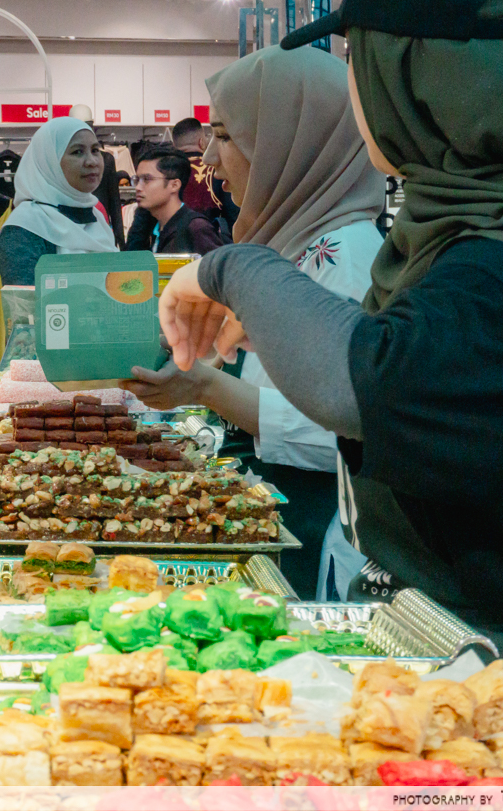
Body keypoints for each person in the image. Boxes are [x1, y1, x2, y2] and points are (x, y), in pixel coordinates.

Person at [155, 0, 503, 709]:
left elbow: (368, 382)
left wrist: (234, 271)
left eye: (360, 60)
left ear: (408, 75)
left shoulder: (500, 255)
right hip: (496, 644)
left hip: (497, 672)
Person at [123, 45, 385, 600]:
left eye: (226, 134)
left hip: (321, 524)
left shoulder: (342, 256)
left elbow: (340, 431)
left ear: (289, 144)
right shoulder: (298, 246)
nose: (210, 160)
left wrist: (206, 386)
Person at [0, 116, 117, 287]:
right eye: (77, 152)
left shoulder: (96, 217)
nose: (92, 161)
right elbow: (24, 307)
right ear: (49, 160)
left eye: (95, 150)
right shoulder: (26, 226)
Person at [126, 149, 224, 255]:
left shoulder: (196, 228)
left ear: (174, 185)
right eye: (137, 180)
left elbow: (220, 269)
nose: (138, 187)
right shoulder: (150, 227)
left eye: (147, 179)